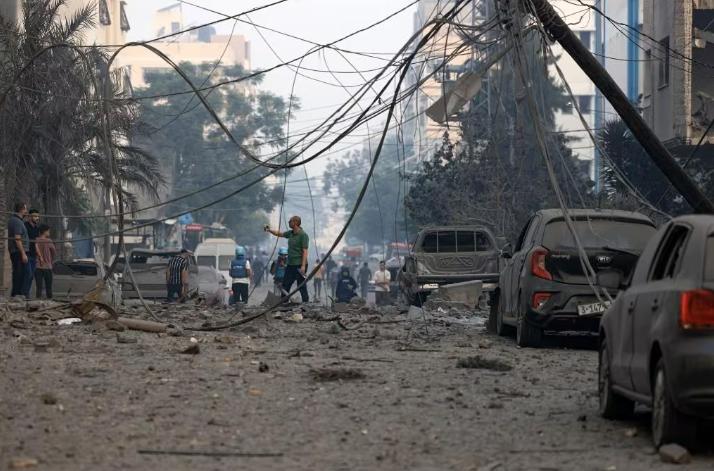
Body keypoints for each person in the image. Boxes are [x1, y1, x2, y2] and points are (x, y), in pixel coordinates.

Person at [264, 215, 310, 303]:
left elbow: (305, 251)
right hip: (290, 264)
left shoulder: (303, 235)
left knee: (301, 285)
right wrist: (269, 230)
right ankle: (284, 302)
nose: (289, 222)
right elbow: (280, 234)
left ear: (296, 223)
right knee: (286, 284)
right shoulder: (291, 233)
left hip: (300, 264)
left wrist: (303, 266)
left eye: (290, 221)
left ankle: (306, 302)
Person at [7, 202, 29, 298]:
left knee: (20, 273)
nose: (26, 211)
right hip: (18, 252)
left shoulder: (17, 221)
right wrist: (23, 253)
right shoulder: (16, 221)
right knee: (19, 273)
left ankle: (17, 294)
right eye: (25, 209)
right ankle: (17, 294)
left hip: (18, 251)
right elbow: (17, 238)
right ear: (21, 209)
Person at [34, 224, 56, 299]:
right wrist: (51, 260)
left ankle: (38, 300)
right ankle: (50, 301)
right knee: (48, 286)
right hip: (47, 266)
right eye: (48, 231)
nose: (49, 232)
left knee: (39, 287)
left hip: (38, 266)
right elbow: (53, 251)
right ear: (44, 231)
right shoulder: (49, 241)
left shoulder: (36, 240)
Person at [23, 209, 41, 297]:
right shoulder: (25, 225)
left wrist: (39, 255)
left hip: (34, 255)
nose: (36, 218)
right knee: (28, 274)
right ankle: (25, 294)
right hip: (26, 253)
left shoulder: (37, 228)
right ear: (29, 216)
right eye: (34, 216)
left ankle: (27, 295)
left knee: (31, 276)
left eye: (37, 216)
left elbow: (36, 243)